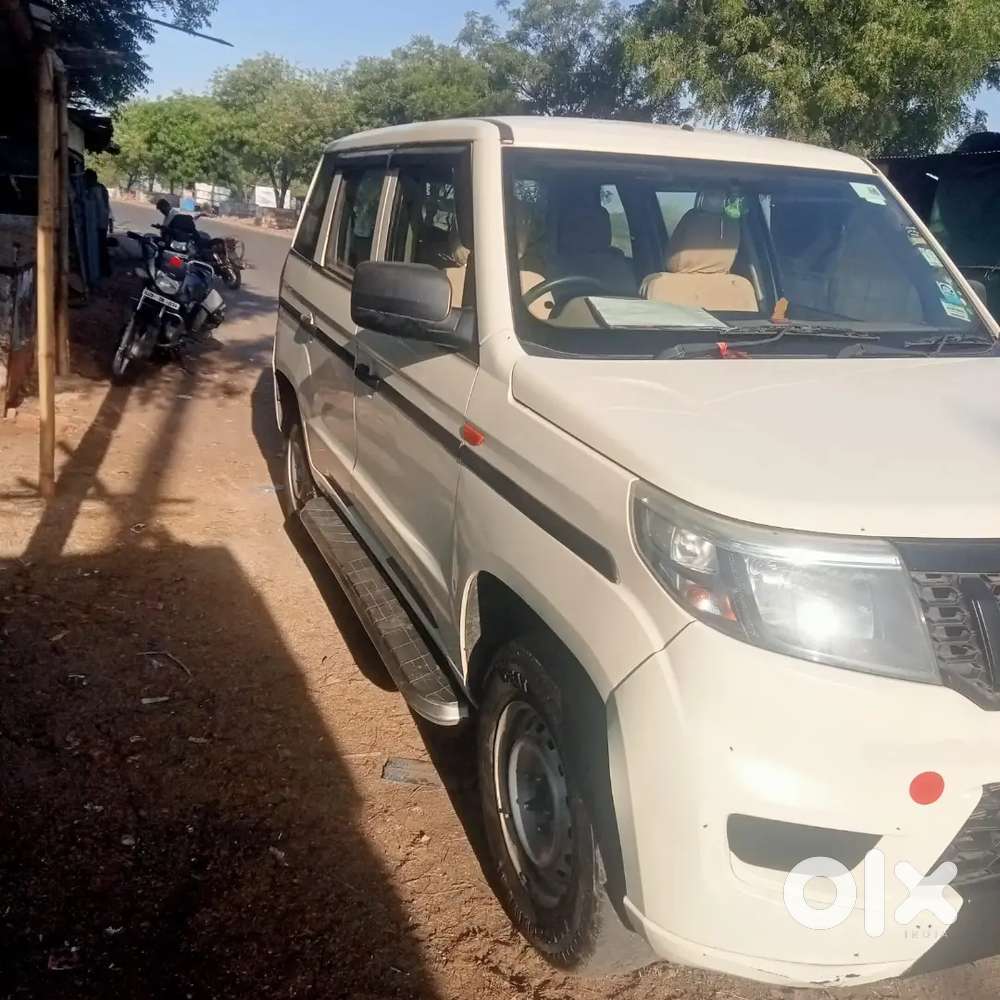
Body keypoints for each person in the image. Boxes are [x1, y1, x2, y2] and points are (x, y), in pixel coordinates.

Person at [83, 168, 112, 281]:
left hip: (98, 224)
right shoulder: (102, 187)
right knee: (102, 248)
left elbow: (98, 208)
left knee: (99, 249)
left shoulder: (95, 189)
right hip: (102, 222)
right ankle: (105, 270)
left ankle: (103, 271)